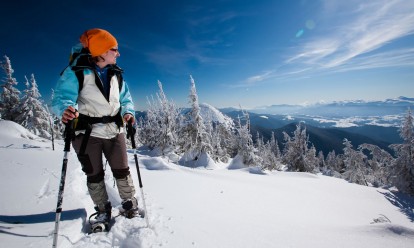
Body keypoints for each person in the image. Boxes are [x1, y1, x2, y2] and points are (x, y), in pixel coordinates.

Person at [52, 28, 138, 228]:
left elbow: (126, 99)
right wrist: (66, 110)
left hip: (115, 131)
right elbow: (62, 98)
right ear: (101, 51)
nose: (118, 53)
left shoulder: (116, 74)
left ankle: (128, 202)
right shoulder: (76, 72)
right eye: (114, 49)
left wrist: (129, 113)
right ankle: (102, 209)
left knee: (122, 169)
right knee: (94, 173)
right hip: (87, 134)